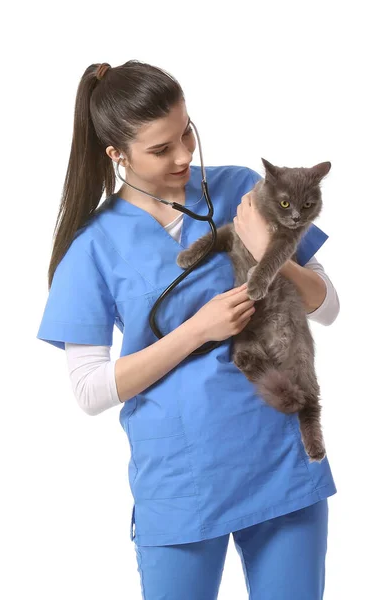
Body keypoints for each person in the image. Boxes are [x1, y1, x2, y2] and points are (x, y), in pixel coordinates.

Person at [37, 60, 340, 599]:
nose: (184, 156)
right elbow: (89, 391)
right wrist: (196, 331)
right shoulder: (93, 248)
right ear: (117, 154)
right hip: (182, 479)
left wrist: (274, 253)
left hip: (278, 461)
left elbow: (328, 306)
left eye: (186, 133)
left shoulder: (245, 190)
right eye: (161, 149)